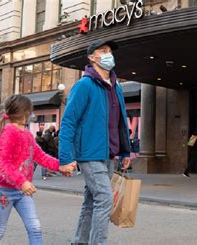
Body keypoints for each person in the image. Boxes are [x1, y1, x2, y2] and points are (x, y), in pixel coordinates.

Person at [59, 40, 131, 245]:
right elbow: (69, 122)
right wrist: (66, 158)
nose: (109, 55)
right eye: (103, 51)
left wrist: (126, 152)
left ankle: (79, 241)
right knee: (105, 199)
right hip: (89, 154)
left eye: (110, 51)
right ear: (92, 57)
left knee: (92, 202)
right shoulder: (84, 85)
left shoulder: (116, 87)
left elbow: (120, 122)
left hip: (109, 154)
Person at [0, 94, 75, 244]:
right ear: (25, 112)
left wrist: (61, 166)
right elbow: (3, 165)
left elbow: (40, 156)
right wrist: (23, 182)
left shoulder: (26, 134)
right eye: (30, 111)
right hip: (4, 191)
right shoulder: (7, 133)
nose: (31, 114)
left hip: (22, 192)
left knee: (35, 228)